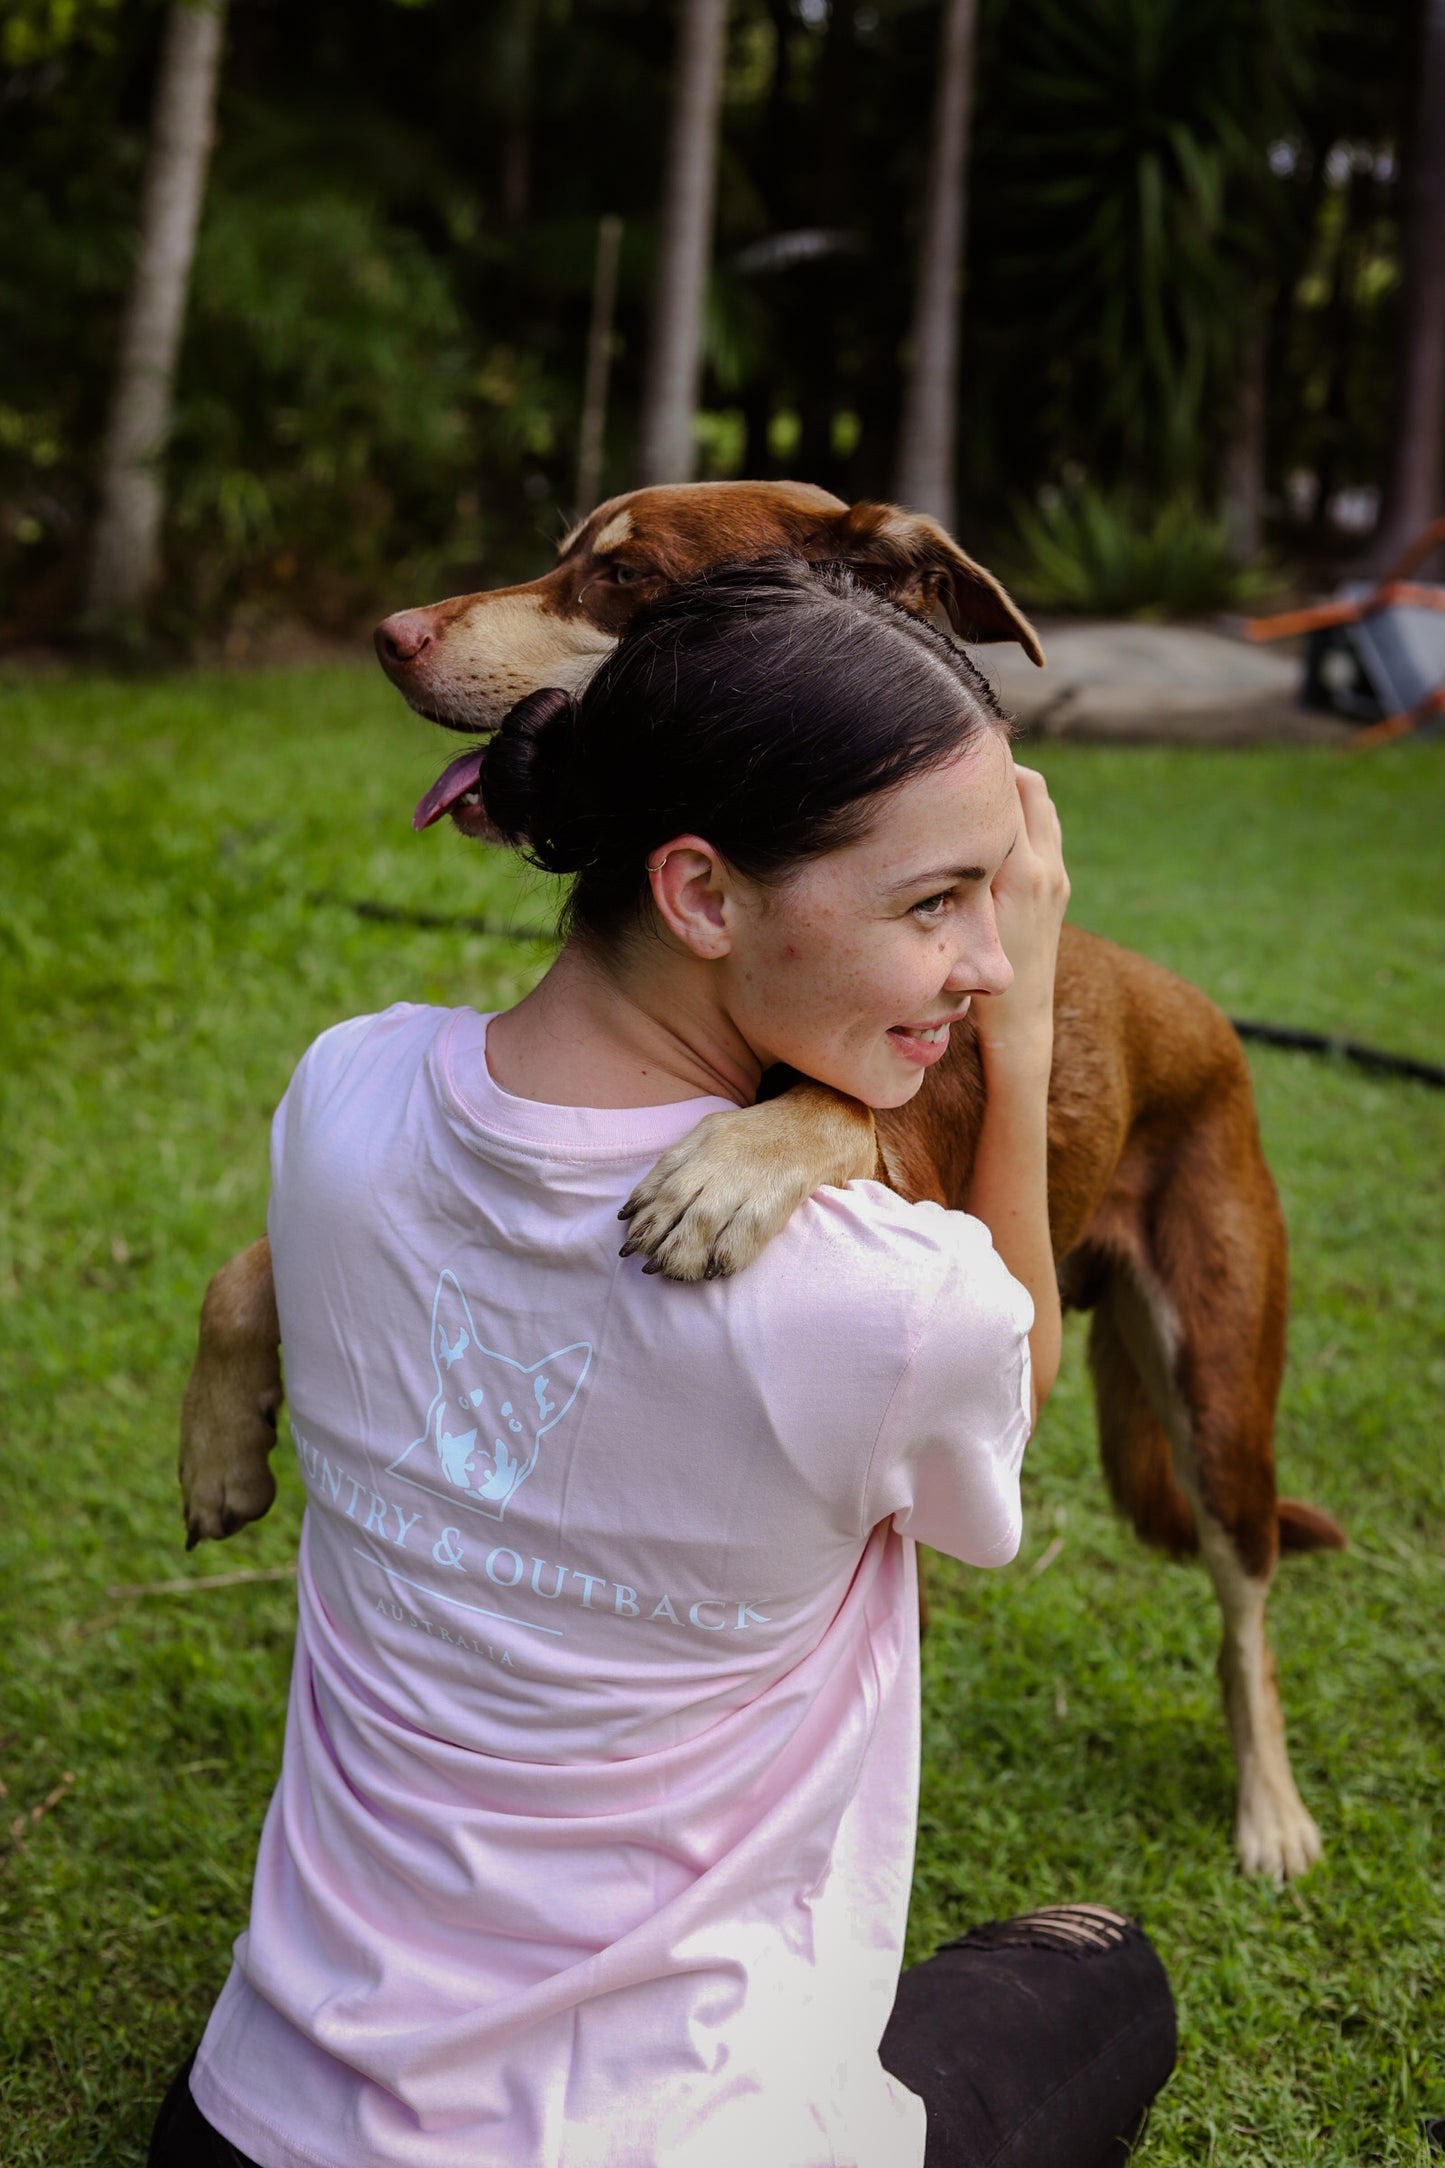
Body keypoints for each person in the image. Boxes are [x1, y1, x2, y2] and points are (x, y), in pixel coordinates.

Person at [150, 561, 1176, 2168]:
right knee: (1104, 1977)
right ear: (698, 892)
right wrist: (1025, 1028)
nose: (983, 955)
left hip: (252, 2125)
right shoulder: (889, 1306)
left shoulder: (338, 1094)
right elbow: (1011, 1378)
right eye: (937, 903)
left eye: (998, 900)